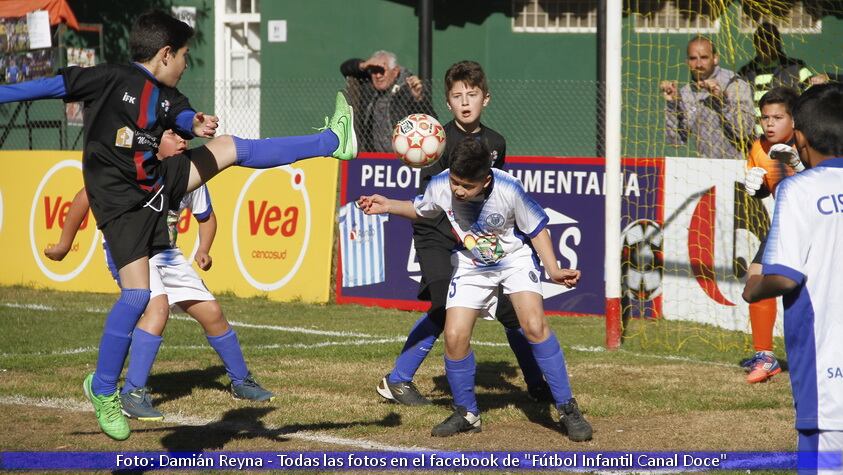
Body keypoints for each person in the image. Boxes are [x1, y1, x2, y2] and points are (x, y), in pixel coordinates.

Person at [0, 10, 356, 440]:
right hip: (121, 204)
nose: (187, 64)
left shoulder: (167, 96)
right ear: (166, 54)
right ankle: (104, 389)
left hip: (156, 187)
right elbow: (52, 83)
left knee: (228, 147)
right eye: (185, 56)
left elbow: (182, 116)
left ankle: (334, 142)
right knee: (137, 296)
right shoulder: (110, 78)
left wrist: (197, 123)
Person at [358, 138, 592, 441]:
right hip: (470, 264)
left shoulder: (509, 188)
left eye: (466, 186)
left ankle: (567, 408)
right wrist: (388, 205)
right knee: (454, 336)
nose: (458, 190)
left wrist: (554, 269)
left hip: (513, 260)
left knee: (534, 325)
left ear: (486, 179)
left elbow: (536, 229)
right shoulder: (442, 183)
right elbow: (423, 210)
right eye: (455, 182)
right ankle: (466, 413)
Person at [44, 130, 274, 421]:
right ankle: (133, 392)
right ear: (154, 140)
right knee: (158, 307)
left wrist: (204, 248)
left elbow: (207, 218)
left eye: (186, 137)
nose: (183, 141)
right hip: (130, 250)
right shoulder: (133, 168)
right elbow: (84, 197)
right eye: (174, 135)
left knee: (212, 312)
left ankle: (241, 382)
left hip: (167, 253)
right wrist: (64, 244)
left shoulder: (190, 172)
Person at [376, 60, 551, 406]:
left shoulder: (496, 143)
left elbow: (493, 195)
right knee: (445, 304)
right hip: (435, 232)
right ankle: (397, 380)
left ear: (486, 99)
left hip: (476, 238)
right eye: (457, 96)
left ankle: (537, 384)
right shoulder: (435, 141)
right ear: (448, 102)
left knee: (510, 310)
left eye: (472, 94)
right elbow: (431, 203)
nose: (465, 101)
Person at [742, 83, 843, 462]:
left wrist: (753, 288)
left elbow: (784, 276)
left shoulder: (799, 189)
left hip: (829, 387)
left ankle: (764, 354)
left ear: (799, 135)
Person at [742, 87, 802, 384]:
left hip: (819, 225)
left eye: (777, 117)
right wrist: (757, 190)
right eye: (765, 117)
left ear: (794, 119)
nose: (769, 123)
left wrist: (799, 165)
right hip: (783, 224)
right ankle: (765, 357)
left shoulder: (809, 141)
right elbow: (767, 187)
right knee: (755, 280)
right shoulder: (757, 148)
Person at [661, 36, 755, 160]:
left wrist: (723, 102)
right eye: (693, 58)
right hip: (706, 168)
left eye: (704, 57)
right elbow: (676, 141)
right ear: (687, 62)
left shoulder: (734, 83)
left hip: (741, 163)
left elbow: (746, 130)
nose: (699, 64)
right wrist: (673, 105)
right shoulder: (686, 93)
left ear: (715, 58)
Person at [738, 22, 825, 135]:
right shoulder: (745, 73)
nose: (764, 43)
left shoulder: (795, 69)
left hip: (787, 139)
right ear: (755, 43)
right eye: (759, 39)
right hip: (755, 140)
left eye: (769, 38)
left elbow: (812, 100)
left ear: (778, 41)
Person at [340, 50, 435, 152]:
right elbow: (345, 69)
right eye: (374, 71)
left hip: (404, 155)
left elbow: (430, 121)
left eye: (381, 71)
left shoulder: (409, 89)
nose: (378, 76)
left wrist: (419, 99)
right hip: (373, 157)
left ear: (395, 71)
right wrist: (365, 65)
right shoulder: (370, 86)